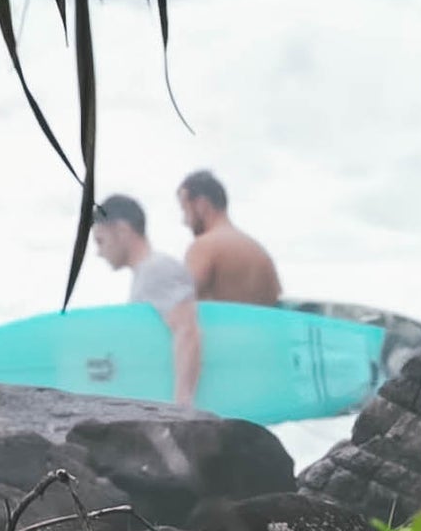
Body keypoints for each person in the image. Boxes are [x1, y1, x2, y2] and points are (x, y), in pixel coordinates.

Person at [91, 195, 201, 407]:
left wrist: (183, 403)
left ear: (122, 230)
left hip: (180, 407)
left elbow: (187, 330)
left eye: (100, 241)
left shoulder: (156, 269)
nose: (98, 252)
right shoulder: (145, 273)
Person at [177, 170, 283, 306]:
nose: (185, 221)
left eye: (185, 210)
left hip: (219, 321)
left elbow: (178, 301)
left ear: (201, 205)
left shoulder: (204, 246)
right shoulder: (260, 252)